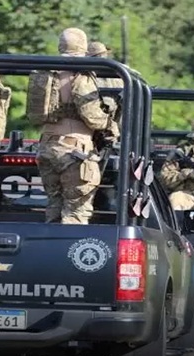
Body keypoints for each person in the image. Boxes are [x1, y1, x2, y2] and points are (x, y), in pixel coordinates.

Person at [31, 28, 120, 224]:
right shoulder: (81, 72)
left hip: (46, 146)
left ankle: (50, 248)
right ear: (82, 44)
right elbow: (91, 115)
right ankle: (66, 253)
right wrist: (110, 125)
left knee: (54, 205)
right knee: (77, 212)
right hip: (74, 149)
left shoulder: (47, 71)